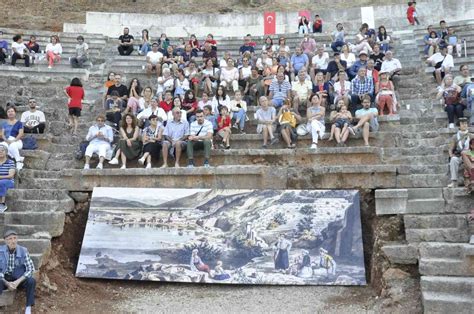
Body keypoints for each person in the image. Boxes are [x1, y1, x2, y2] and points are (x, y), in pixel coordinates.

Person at [0, 230, 36, 314]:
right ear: (5, 241)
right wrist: (7, 283)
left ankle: (28, 307)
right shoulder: (0, 251)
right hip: (4, 278)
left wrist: (16, 282)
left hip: (18, 278)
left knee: (31, 281)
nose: (13, 241)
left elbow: (30, 269)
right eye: (10, 239)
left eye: (15, 238)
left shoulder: (23, 251)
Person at [448, 118, 473, 188]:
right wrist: (451, 155)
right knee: (453, 160)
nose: (464, 125)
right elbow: (450, 149)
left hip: (469, 156)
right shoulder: (455, 137)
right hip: (459, 156)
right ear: (459, 126)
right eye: (462, 124)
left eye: (465, 123)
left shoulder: (471, 136)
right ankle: (454, 181)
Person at [0, 144, 15, 212]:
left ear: (6, 152)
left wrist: (0, 177)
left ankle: (2, 203)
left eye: (2, 150)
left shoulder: (10, 162)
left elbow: (11, 175)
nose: (0, 152)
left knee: (2, 182)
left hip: (9, 182)